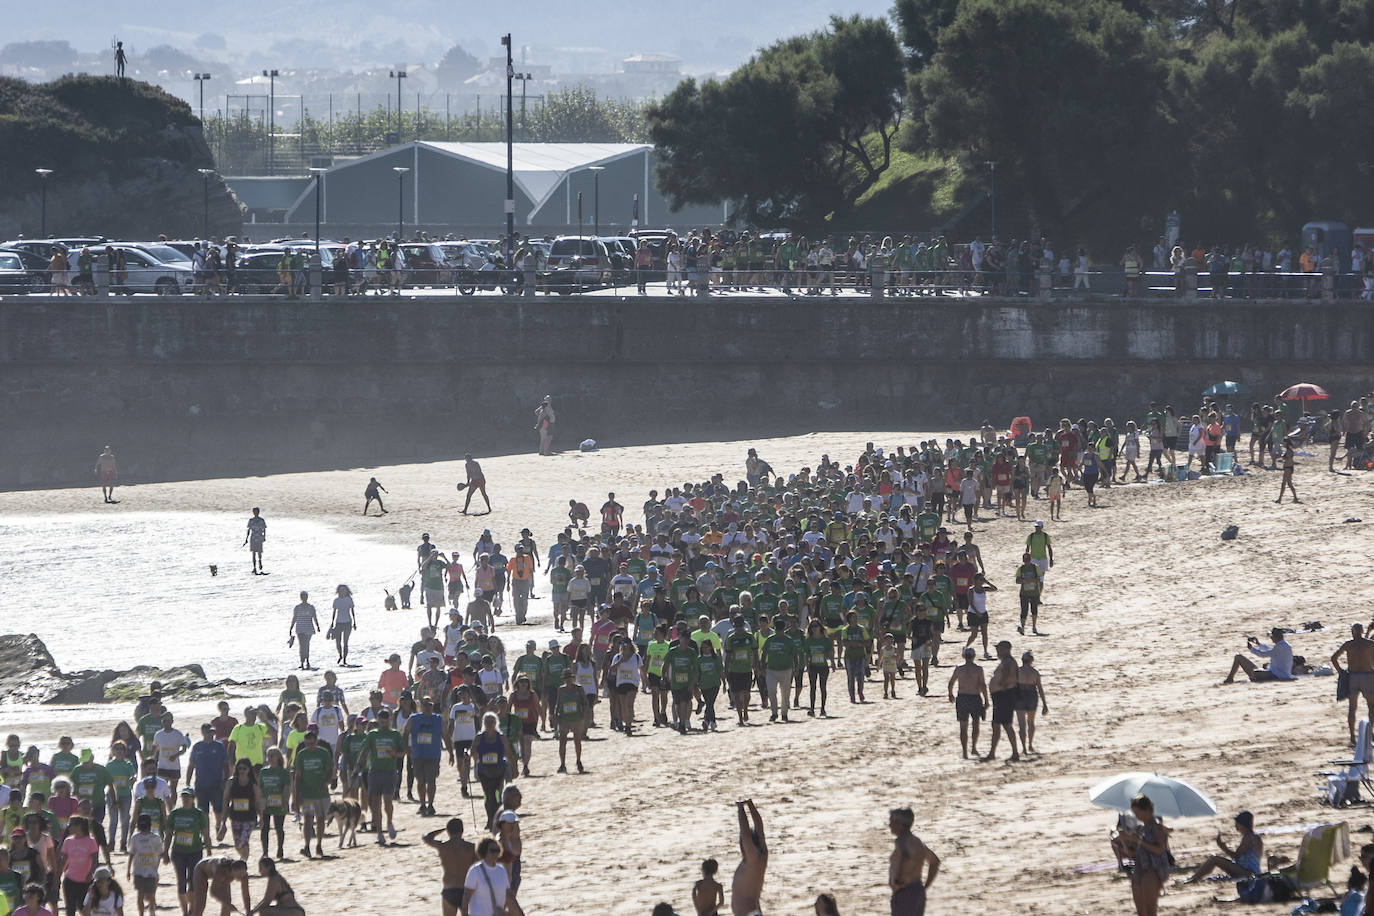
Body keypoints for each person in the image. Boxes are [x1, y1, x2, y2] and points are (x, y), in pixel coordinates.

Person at [1181, 811, 1263, 884]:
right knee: (1214, 859)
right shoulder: (1252, 837)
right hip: (1248, 872)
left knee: (1214, 859)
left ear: (1243, 824)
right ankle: (1194, 878)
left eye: (1237, 823)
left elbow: (1236, 856)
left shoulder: (1249, 838)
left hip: (1248, 873)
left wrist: (1223, 847)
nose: (1236, 826)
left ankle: (1194, 879)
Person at [360, 709, 402, 846]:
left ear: (389, 720)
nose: (383, 724)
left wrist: (394, 754)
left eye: (386, 721)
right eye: (381, 722)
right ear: (378, 721)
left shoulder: (395, 734)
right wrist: (358, 766)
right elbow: (365, 751)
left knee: (388, 801)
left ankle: (389, 822)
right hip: (375, 772)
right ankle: (379, 832)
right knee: (375, 803)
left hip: (389, 771)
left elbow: (403, 752)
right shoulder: (372, 735)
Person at [888, 807, 939, 916]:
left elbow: (906, 858)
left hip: (905, 893)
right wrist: (925, 887)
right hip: (917, 891)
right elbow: (935, 862)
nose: (889, 825)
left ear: (900, 824)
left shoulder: (901, 841)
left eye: (892, 821)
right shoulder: (917, 842)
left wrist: (898, 882)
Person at [1125, 795, 1170, 916]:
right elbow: (1131, 853)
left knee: (1151, 911)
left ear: (1146, 810)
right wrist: (1125, 840)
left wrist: (1139, 841)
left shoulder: (1157, 827)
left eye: (1137, 812)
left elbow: (1160, 850)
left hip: (1153, 869)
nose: (1136, 816)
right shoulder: (1140, 829)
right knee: (1141, 912)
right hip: (1139, 869)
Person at [470, 714, 513, 832]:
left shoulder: (501, 737)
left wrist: (514, 767)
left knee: (498, 795)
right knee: (488, 796)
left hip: (499, 771)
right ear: (483, 723)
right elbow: (472, 750)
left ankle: (497, 820)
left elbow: (508, 752)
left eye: (492, 722)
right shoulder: (479, 737)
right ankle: (490, 820)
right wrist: (468, 755)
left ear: (496, 723)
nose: (489, 724)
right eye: (487, 722)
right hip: (484, 772)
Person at [423, 819, 476, 916]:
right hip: (467, 889)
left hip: (449, 889)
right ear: (462, 830)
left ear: (448, 831)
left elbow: (426, 838)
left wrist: (442, 829)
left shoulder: (443, 846)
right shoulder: (471, 847)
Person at [1333, 624, 1374, 745]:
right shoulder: (1369, 644)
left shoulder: (1348, 644)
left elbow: (1334, 658)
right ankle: (1370, 733)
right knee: (1371, 706)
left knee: (1352, 708)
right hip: (1367, 676)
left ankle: (1352, 736)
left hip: (1353, 676)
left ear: (1352, 632)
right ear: (1361, 631)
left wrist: (1341, 671)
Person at [983, 640, 1020, 762]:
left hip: (1004, 696)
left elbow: (1008, 672)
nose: (997, 651)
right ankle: (993, 753)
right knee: (997, 725)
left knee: (1005, 725)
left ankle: (1014, 752)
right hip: (1001, 696)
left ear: (1006, 649)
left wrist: (1001, 684)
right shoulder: (1007, 661)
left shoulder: (1008, 661)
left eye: (999, 648)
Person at [947, 647, 987, 760]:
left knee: (963, 727)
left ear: (963, 656)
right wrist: (986, 700)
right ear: (974, 656)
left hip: (962, 697)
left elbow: (951, 683)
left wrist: (950, 694)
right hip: (975, 697)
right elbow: (983, 686)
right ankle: (973, 747)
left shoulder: (959, 668)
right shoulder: (978, 669)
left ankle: (965, 751)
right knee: (975, 724)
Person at [730, 799, 766, 916]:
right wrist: (750, 804)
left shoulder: (753, 859)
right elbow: (759, 828)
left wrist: (740, 808)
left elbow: (745, 834)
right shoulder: (762, 855)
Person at [1223, 628, 1297, 683]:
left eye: (1272, 636)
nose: (1271, 638)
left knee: (1255, 672)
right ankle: (1230, 678)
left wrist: (1252, 649)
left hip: (1277, 674)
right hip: (1279, 673)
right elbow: (1270, 650)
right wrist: (1258, 644)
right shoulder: (1285, 645)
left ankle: (1230, 679)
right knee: (1239, 658)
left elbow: (1263, 654)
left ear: (1275, 637)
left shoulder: (1279, 647)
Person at [222, 761, 261, 861]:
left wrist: (261, 816)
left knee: (244, 841)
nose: (242, 771)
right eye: (240, 768)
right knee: (237, 844)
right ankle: (244, 858)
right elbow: (226, 800)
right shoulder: (231, 782)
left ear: (249, 769)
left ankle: (243, 863)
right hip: (235, 817)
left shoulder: (253, 783)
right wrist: (223, 821)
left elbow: (257, 801)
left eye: (245, 768)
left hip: (249, 817)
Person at [462, 838, 510, 916]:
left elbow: (508, 896)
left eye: (497, 850)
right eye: (492, 851)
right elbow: (466, 898)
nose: (495, 853)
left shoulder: (501, 870)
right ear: (484, 852)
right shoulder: (475, 871)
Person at [125, 814, 160, 916]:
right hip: (138, 870)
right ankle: (141, 914)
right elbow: (131, 854)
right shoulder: (135, 838)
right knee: (140, 895)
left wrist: (156, 866)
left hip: (151, 871)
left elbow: (160, 852)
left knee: (150, 895)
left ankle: (151, 909)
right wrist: (128, 870)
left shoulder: (155, 838)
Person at [552, 670, 586, 774]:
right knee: (562, 742)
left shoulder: (579, 689)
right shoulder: (561, 690)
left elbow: (584, 702)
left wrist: (583, 715)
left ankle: (578, 761)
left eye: (569, 678)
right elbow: (558, 704)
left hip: (576, 718)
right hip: (564, 719)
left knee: (577, 741)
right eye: (566, 679)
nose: (568, 680)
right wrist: (556, 715)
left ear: (573, 678)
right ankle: (562, 764)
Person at [1015, 651, 1048, 754]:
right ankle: (1030, 745)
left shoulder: (1017, 671)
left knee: (1021, 724)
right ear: (1031, 660)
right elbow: (1040, 689)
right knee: (1031, 722)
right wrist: (1044, 704)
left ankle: (1024, 747)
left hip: (1020, 695)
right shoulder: (1035, 672)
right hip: (1031, 695)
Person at [287, 593, 319, 671]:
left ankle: (307, 661)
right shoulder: (297, 608)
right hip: (300, 629)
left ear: (307, 597)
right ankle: (302, 662)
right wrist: (291, 627)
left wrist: (317, 626)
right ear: (300, 598)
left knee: (307, 645)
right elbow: (294, 618)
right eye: (302, 597)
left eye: (305, 596)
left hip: (309, 629)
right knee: (302, 645)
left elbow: (314, 617)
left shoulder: (311, 607)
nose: (304, 598)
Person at [1275, 437, 1299, 503]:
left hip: (1288, 468)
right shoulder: (1288, 450)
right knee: (1289, 483)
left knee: (1284, 484)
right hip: (1288, 467)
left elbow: (1287, 458)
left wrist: (1281, 457)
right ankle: (1295, 497)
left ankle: (1280, 499)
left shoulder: (1289, 451)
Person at [244, 509, 267, 575]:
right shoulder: (251, 520)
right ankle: (254, 567)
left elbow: (264, 529)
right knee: (254, 553)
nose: (255, 513)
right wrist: (246, 539)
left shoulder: (261, 520)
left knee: (259, 553)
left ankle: (259, 563)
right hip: (253, 538)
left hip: (258, 538)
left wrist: (264, 537)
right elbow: (248, 530)